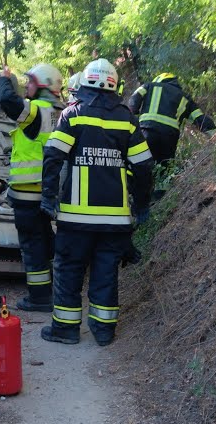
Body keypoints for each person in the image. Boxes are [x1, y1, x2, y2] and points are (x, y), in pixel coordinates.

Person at [40, 58, 154, 347]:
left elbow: (53, 156)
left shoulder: (73, 115)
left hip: (75, 218)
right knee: (106, 272)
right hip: (114, 220)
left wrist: (48, 195)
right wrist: (141, 206)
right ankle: (103, 331)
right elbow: (143, 166)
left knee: (69, 270)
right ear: (115, 85)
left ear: (85, 84)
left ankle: (65, 329)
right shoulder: (127, 119)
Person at [0, 62, 63, 312]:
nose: (27, 86)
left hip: (28, 193)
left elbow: (7, 101)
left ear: (42, 86)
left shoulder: (38, 111)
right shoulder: (61, 112)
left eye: (31, 82)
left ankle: (39, 298)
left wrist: (5, 78)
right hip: (46, 194)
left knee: (32, 247)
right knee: (45, 241)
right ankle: (58, 286)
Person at [126, 72, 216, 165]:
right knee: (164, 168)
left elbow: (133, 102)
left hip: (148, 131)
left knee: (140, 164)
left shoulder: (149, 86)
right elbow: (200, 119)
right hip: (169, 138)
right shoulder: (185, 97)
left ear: (158, 80)